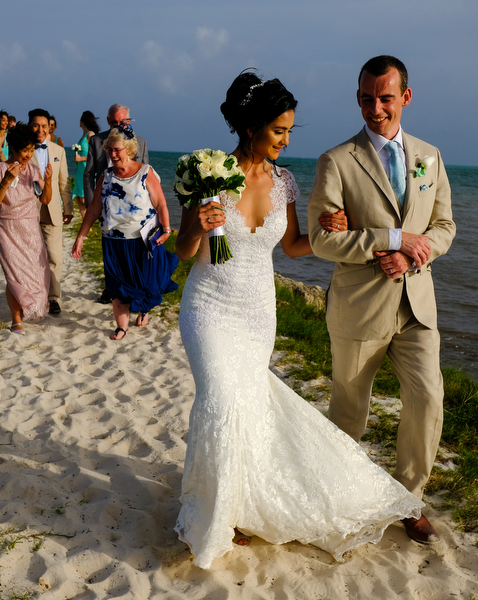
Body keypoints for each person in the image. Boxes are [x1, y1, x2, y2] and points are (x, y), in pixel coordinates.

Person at [173, 71, 423, 569]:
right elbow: (183, 252)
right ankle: (215, 515)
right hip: (209, 307)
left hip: (256, 311)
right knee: (220, 400)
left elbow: (291, 247)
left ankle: (240, 507)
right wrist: (197, 227)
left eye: (289, 131)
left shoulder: (284, 181)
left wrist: (335, 230)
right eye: (278, 131)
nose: (286, 141)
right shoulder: (209, 174)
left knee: (246, 405)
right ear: (251, 127)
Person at [307, 56, 456, 545]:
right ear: (358, 99)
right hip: (359, 308)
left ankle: (409, 500)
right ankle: (336, 495)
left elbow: (444, 226)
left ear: (405, 97)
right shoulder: (336, 161)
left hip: (417, 306)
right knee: (350, 410)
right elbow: (322, 240)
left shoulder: (430, 156)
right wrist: (390, 239)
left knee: (428, 398)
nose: (376, 108)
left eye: (386, 98)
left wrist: (411, 255)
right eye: (367, 99)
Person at [71, 127, 177, 340]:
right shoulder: (106, 175)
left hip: (143, 240)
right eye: (109, 150)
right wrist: (81, 236)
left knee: (147, 282)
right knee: (117, 285)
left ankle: (144, 309)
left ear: (128, 149)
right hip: (113, 241)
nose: (112, 154)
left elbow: (160, 203)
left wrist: (166, 229)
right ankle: (121, 327)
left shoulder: (145, 172)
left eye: (117, 149)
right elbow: (94, 208)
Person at [0, 124, 52, 334]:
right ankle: (16, 320)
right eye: (25, 150)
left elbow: (45, 199)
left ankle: (29, 306)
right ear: (12, 148)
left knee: (35, 272)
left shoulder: (33, 170)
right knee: (14, 274)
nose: (28, 155)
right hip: (5, 227)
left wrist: (49, 181)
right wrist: (7, 180)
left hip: (30, 227)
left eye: (32, 150)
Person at [28, 108, 73, 314]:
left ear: (50, 127)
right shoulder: (22, 150)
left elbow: (64, 182)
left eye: (44, 126)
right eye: (36, 125)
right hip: (28, 210)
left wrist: (68, 207)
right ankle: (33, 295)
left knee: (55, 257)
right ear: (30, 126)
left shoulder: (58, 151)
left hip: (53, 210)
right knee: (31, 256)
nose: (40, 129)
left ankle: (54, 298)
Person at [82, 104, 148, 207]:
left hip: (132, 202)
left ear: (128, 121)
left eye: (122, 122)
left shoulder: (141, 143)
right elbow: (88, 175)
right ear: (108, 121)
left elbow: (145, 176)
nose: (118, 126)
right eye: (114, 122)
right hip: (104, 201)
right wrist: (91, 204)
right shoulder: (96, 141)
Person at [71, 110, 99, 218]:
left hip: (87, 170)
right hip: (80, 170)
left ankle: (89, 222)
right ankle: (86, 223)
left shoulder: (90, 135)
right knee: (79, 197)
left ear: (83, 121)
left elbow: (97, 155)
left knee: (83, 198)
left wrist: (81, 158)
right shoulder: (83, 135)